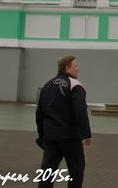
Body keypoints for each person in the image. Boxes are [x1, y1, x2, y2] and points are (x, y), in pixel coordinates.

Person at [35, 55, 92, 188]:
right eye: (75, 67)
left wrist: (42, 136)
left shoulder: (47, 85)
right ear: (67, 68)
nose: (78, 69)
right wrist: (86, 134)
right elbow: (80, 111)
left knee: (47, 172)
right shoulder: (75, 85)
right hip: (70, 137)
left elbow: (39, 114)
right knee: (76, 170)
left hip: (51, 136)